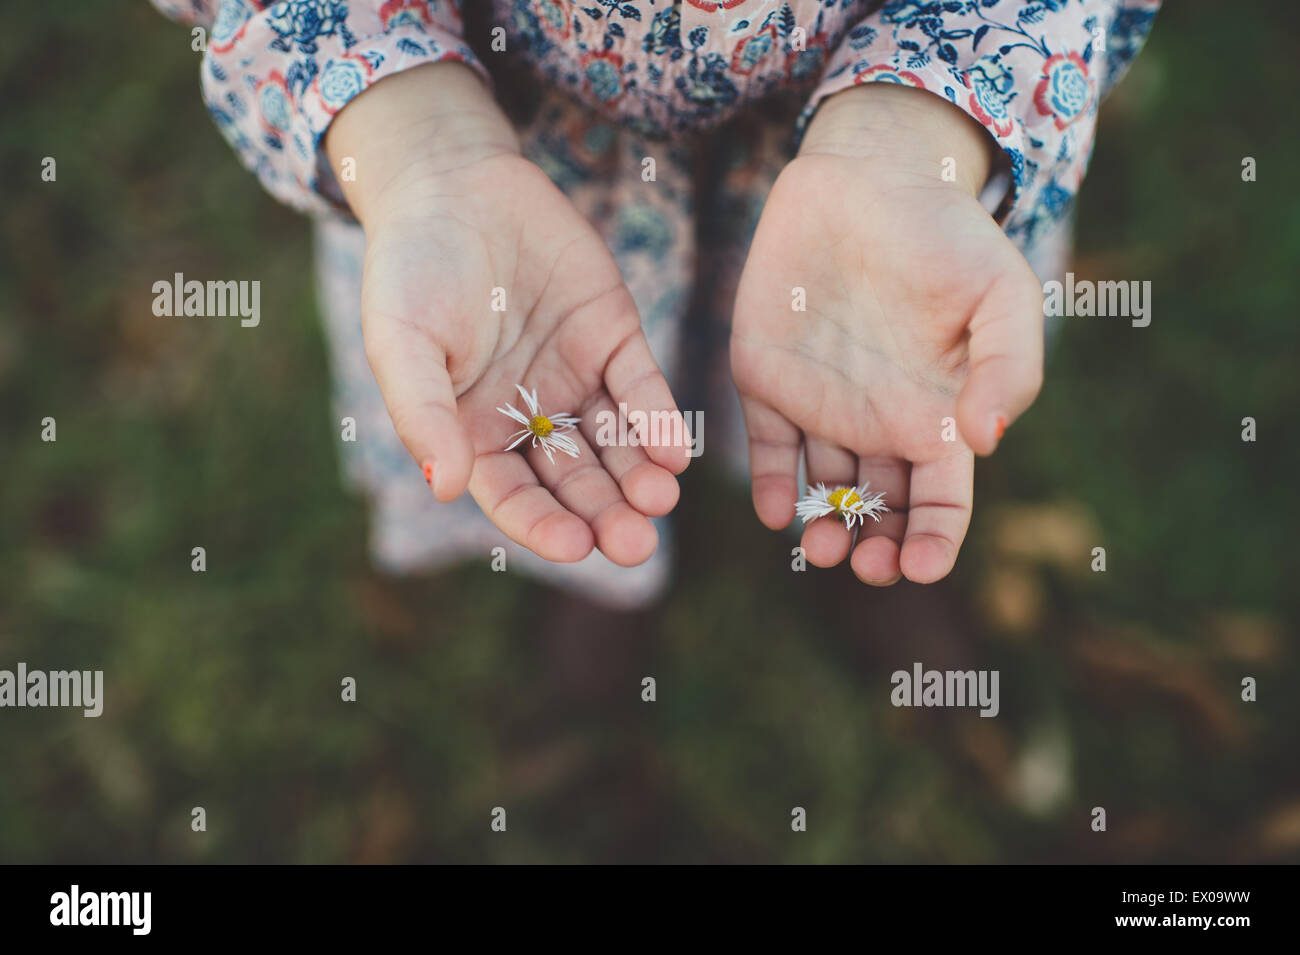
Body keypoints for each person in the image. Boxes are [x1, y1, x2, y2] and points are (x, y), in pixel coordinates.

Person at [150, 0, 1160, 607]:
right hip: (506, 150)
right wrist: (415, 144)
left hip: (856, 153)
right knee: (571, 423)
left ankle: (846, 560)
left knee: (844, 407)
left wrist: (912, 135)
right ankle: (599, 590)